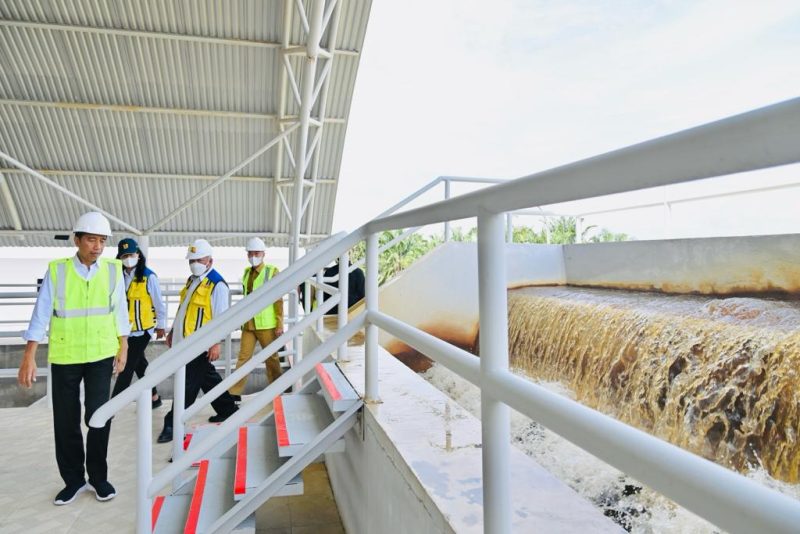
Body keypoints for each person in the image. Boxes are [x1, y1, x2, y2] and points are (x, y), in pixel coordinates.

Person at [18, 211, 129, 505]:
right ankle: (73, 480)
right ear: (77, 240)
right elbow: (40, 314)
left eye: (102, 241)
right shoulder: (58, 271)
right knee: (65, 420)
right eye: (91, 240)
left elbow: (120, 311)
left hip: (101, 354)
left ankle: (98, 478)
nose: (97, 246)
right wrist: (29, 356)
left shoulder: (113, 270)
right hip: (66, 355)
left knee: (98, 417)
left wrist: (124, 346)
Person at [157, 239, 238, 443]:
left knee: (188, 384)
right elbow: (183, 309)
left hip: (201, 344)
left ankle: (172, 424)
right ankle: (227, 408)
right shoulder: (192, 280)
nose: (194, 263)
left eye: (198, 259)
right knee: (207, 378)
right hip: (185, 342)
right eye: (191, 259)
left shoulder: (217, 284)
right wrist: (173, 331)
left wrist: (216, 342)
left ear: (210, 260)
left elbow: (222, 317)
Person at [111, 238, 166, 408]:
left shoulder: (149, 277)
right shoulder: (118, 277)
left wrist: (161, 325)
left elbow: (158, 302)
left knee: (126, 366)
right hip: (125, 330)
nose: (128, 258)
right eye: (124, 255)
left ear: (138, 255)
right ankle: (154, 398)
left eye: (131, 254)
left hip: (143, 330)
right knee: (140, 364)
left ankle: (112, 407)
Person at [228, 237, 284, 402]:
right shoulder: (247, 272)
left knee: (271, 358)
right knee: (243, 358)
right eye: (250, 253)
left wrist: (279, 323)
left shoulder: (272, 271)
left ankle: (277, 390)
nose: (253, 255)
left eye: (256, 253)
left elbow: (278, 299)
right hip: (249, 324)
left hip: (267, 324)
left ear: (263, 254)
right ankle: (234, 393)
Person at [300, 258, 365, 314]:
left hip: (331, 313)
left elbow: (324, 297)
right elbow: (363, 297)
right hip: (352, 313)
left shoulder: (329, 272)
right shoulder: (358, 272)